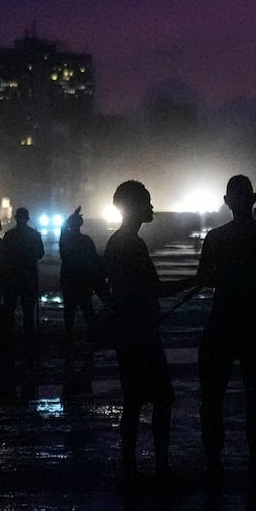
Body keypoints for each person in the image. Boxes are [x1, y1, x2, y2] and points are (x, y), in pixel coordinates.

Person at [195, 175, 256, 473]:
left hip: (221, 322)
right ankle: (255, 454)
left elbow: (204, 278)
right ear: (253, 198)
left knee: (213, 395)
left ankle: (212, 456)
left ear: (226, 203)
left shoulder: (215, 237)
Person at [103, 181, 185, 480]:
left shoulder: (117, 242)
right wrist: (197, 279)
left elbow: (106, 283)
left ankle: (131, 468)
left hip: (128, 333)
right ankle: (160, 467)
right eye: (147, 203)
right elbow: (154, 288)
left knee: (133, 400)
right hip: (140, 335)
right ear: (134, 206)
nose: (151, 208)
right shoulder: (131, 244)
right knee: (162, 399)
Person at [58, 207, 110, 347]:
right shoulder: (86, 240)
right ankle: (91, 334)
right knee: (87, 309)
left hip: (69, 279)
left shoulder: (65, 240)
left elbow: (63, 232)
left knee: (69, 311)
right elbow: (94, 259)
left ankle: (69, 336)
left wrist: (69, 218)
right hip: (83, 280)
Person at [1, 207, 45, 344]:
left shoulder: (9, 235)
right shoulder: (34, 235)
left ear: (15, 218)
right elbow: (40, 254)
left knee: (9, 308)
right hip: (28, 275)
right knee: (28, 309)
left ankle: (7, 335)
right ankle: (28, 335)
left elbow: (3, 255)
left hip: (12, 276)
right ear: (27, 218)